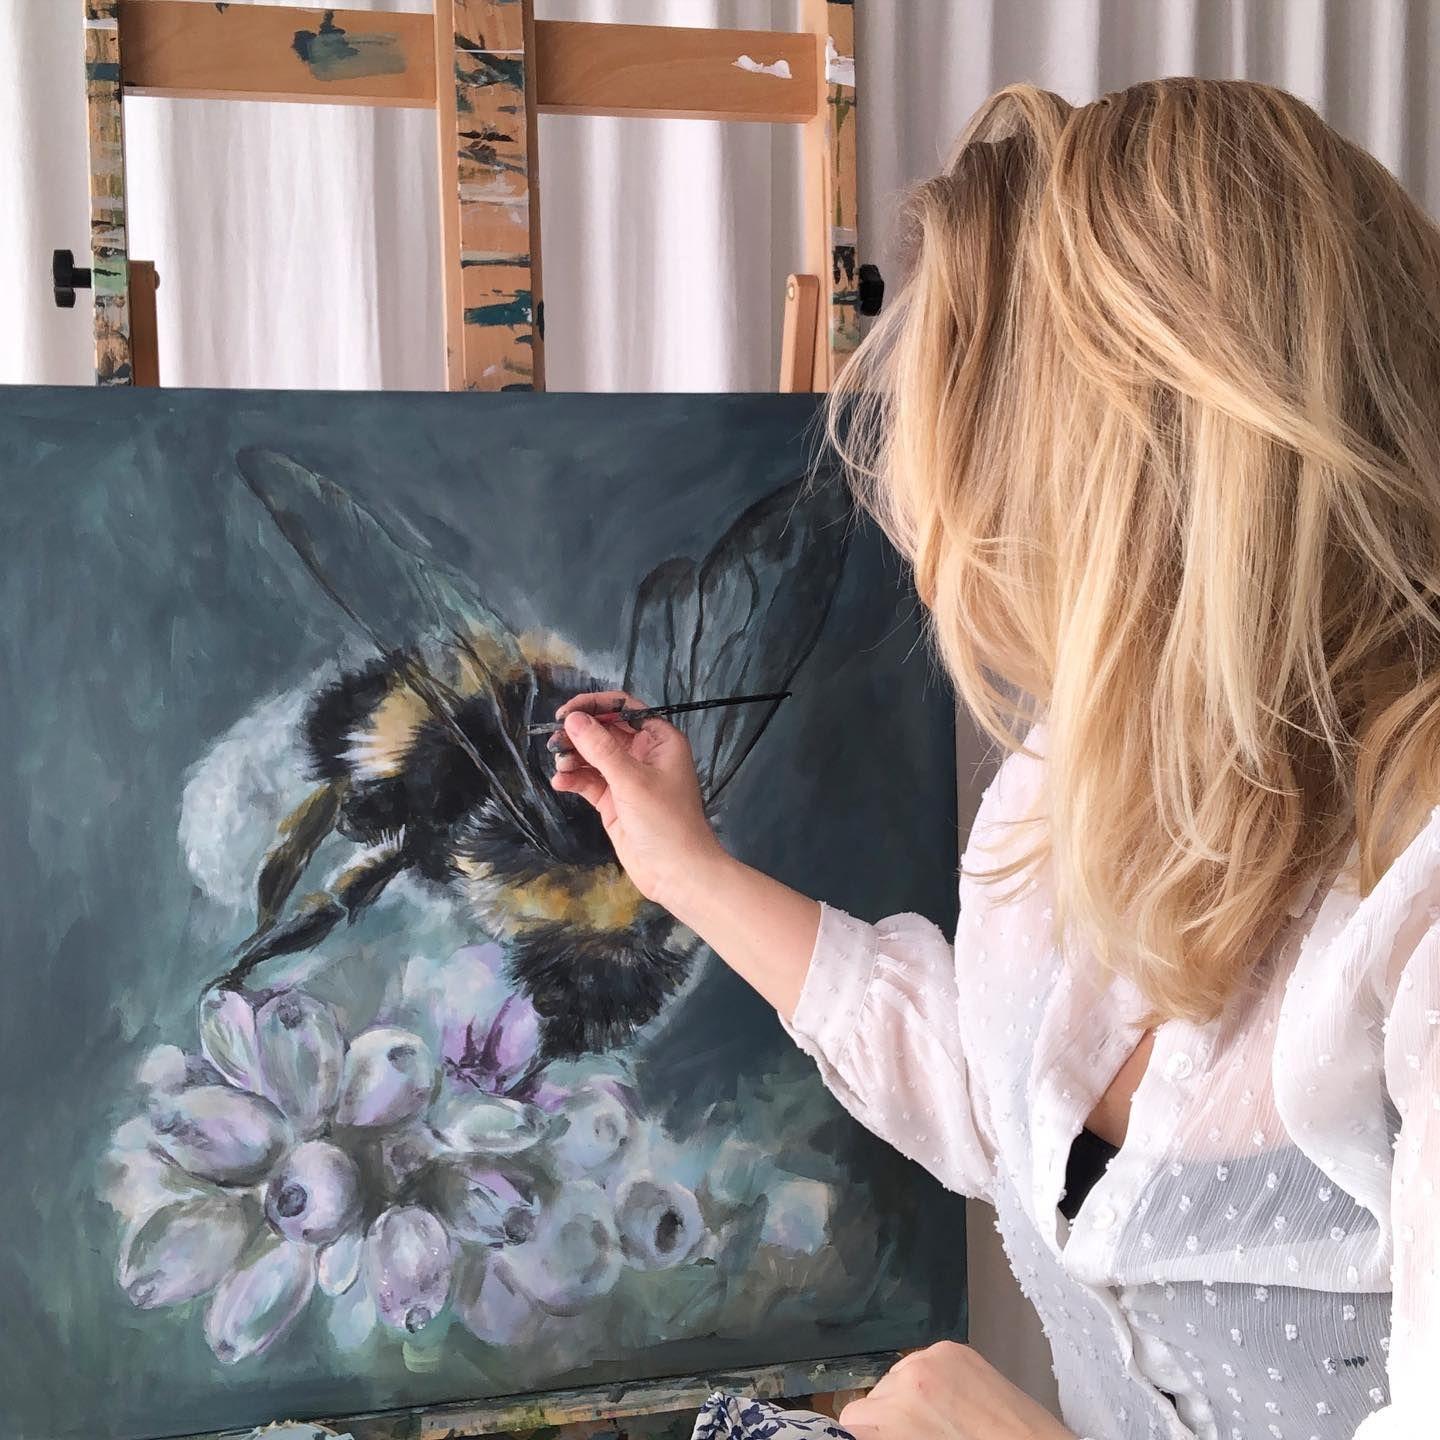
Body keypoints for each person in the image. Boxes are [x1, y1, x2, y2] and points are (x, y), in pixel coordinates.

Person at [551, 78, 1438, 1440]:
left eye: (980, 475)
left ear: (1138, 486)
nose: (942, 546)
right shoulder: (1065, 785)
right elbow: (1003, 1094)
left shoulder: (1417, 898)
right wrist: (686, 870)